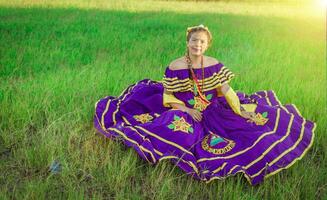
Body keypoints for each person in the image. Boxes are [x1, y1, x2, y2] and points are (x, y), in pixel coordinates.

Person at [93, 24, 316, 185]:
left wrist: (240, 111)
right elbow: (168, 97)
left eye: (202, 41)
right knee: (176, 129)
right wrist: (187, 109)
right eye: (193, 40)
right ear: (187, 42)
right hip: (182, 106)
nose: (197, 44)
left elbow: (226, 90)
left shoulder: (214, 65)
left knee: (249, 128)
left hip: (212, 106)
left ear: (207, 44)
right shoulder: (175, 66)